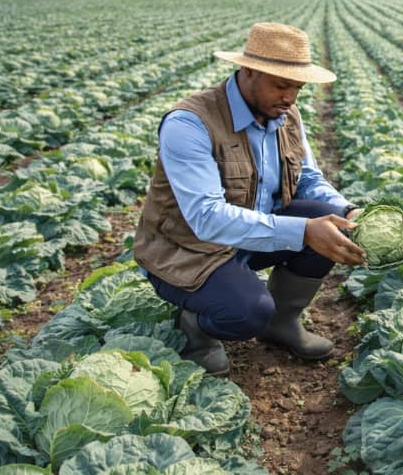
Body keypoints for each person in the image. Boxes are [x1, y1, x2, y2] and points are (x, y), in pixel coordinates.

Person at [134, 22, 365, 376]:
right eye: (282, 85)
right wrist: (303, 231)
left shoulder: (285, 115)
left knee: (330, 219)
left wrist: (347, 211)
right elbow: (207, 218)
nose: (290, 98)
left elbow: (307, 178)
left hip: (250, 235)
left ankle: (282, 323)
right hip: (188, 249)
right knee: (248, 311)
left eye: (298, 88)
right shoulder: (190, 123)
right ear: (249, 71)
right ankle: (194, 330)